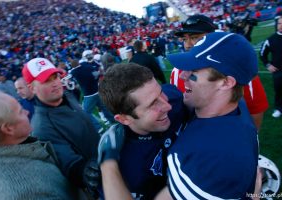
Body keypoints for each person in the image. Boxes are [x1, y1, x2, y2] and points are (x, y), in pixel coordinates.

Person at [99, 32, 259, 200]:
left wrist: (108, 165)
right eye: (153, 103)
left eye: (194, 71)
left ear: (226, 83)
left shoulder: (209, 159)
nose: (167, 105)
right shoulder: (232, 103)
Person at [98, 63, 186, 199]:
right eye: (152, 104)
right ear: (124, 119)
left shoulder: (173, 97)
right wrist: (107, 162)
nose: (167, 106)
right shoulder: (126, 167)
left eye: (161, 92)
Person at [171, 14, 268, 130]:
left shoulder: (238, 69)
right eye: (185, 39)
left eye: (195, 37)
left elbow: (255, 111)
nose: (187, 45)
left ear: (213, 36)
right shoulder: (177, 72)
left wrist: (249, 140)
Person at [21, 57, 101, 198]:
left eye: (55, 76)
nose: (55, 83)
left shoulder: (67, 96)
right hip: (100, 183)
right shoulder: (41, 126)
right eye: (46, 80)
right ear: (31, 88)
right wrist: (89, 171)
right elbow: (72, 166)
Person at [0, 88, 79, 199]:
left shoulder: (20, 145)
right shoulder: (27, 192)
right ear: (8, 129)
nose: (27, 112)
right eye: (20, 111)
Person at [69, 50, 114, 132]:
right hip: (97, 90)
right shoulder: (87, 66)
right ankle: (112, 120)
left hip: (89, 94)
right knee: (103, 107)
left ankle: (98, 127)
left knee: (86, 112)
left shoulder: (74, 71)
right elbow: (97, 73)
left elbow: (69, 76)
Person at [260, 14, 282, 117]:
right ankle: (281, 109)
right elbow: (262, 54)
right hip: (279, 71)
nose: (281, 25)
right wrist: (267, 64)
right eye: (279, 23)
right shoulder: (271, 39)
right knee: (280, 91)